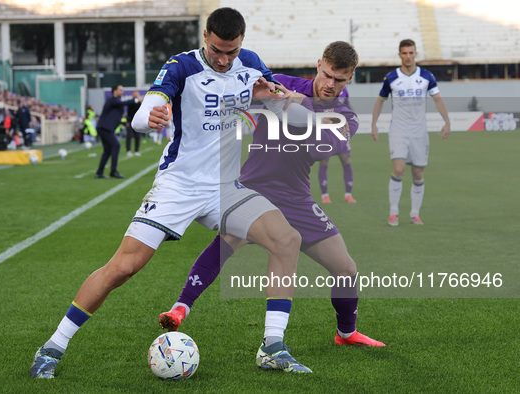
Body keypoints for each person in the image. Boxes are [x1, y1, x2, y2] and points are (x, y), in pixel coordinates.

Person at [29, 7, 320, 378]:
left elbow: (297, 120)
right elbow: (143, 113)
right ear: (205, 36)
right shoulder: (181, 66)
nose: (224, 58)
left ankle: (272, 346)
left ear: (242, 42)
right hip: (178, 185)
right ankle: (53, 347)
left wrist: (280, 101)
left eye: (231, 51)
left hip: (225, 187)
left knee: (286, 239)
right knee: (123, 267)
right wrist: (149, 116)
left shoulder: (251, 64)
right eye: (217, 49)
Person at [159, 41, 385, 354]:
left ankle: (347, 332)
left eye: (341, 80)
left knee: (346, 269)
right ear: (319, 64)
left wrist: (295, 103)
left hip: (296, 198)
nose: (332, 84)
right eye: (329, 75)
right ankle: (180, 308)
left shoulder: (346, 116)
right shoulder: (280, 81)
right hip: (254, 186)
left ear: (350, 79)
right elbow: (242, 93)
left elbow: (321, 143)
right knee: (226, 243)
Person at [371, 39, 451, 226]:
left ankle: (415, 214)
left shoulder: (426, 76)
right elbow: (380, 101)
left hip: (419, 131)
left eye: (411, 53)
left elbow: (438, 100)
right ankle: (393, 212)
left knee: (417, 174)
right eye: (404, 53)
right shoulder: (391, 77)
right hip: (398, 130)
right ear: (399, 54)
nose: (408, 56)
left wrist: (447, 122)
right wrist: (374, 124)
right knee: (398, 169)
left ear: (416, 54)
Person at [318, 87, 357, 203]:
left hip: (341, 132)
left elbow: (348, 107)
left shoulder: (344, 90)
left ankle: (348, 194)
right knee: (324, 162)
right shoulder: (320, 88)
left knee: (346, 160)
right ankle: (325, 195)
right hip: (325, 132)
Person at [94, 85, 131, 179]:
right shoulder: (112, 99)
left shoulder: (115, 102)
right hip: (105, 128)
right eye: (120, 90)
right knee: (116, 145)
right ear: (115, 91)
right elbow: (123, 103)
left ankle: (99, 172)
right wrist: (136, 100)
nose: (122, 92)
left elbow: (113, 116)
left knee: (107, 150)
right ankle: (113, 171)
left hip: (104, 127)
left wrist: (122, 123)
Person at [124, 91, 143, 156]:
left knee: (137, 136)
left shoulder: (139, 103)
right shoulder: (131, 101)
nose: (136, 95)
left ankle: (136, 150)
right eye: (135, 94)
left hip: (137, 121)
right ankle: (128, 150)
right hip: (130, 121)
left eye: (137, 94)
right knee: (129, 136)